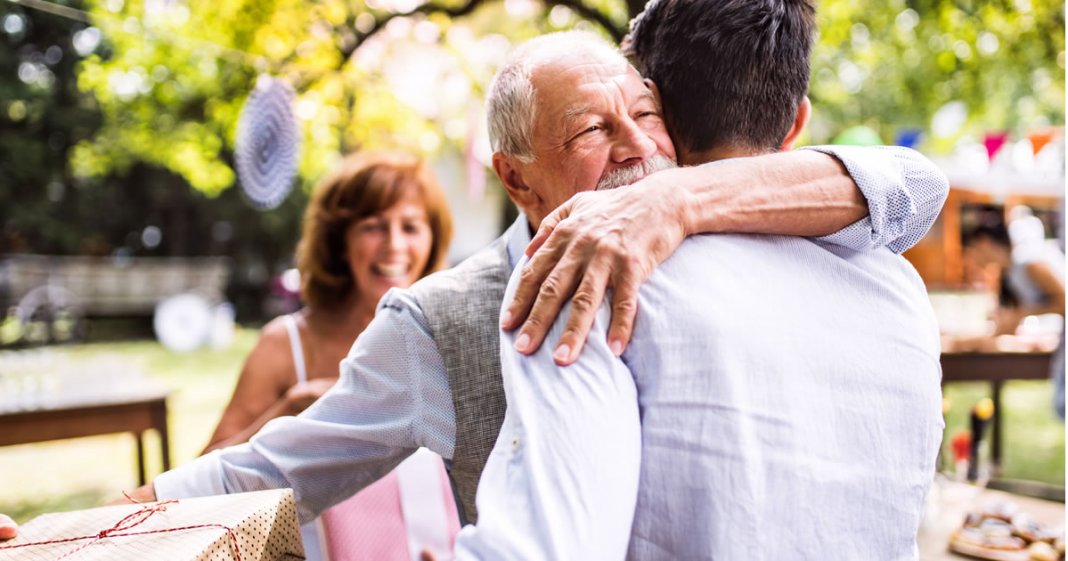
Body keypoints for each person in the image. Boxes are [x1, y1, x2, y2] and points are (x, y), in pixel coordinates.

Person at [0, 30, 948, 548]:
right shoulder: (449, 317)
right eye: (590, 130)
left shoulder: (728, 242)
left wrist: (680, 203)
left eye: (645, 114)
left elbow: (910, 186)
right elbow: (270, 468)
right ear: (517, 177)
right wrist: (75, 530)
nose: (634, 145)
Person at [455, 6, 944, 559]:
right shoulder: (899, 289)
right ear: (798, 120)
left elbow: (551, 544)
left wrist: (677, 196)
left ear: (658, 108)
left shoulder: (602, 267)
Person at [205, 151, 460, 561]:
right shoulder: (286, 345)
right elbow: (205, 489)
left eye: (411, 227)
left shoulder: (449, 338)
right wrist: (287, 411)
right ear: (339, 240)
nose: (394, 245)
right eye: (374, 227)